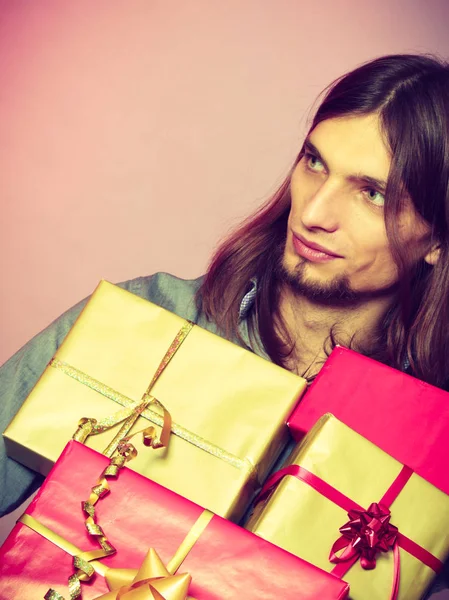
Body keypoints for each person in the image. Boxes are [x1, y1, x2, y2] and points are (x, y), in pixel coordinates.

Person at [1, 53, 449, 597]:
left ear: (437, 239)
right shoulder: (146, 321)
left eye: (372, 193)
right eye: (314, 163)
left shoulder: (434, 446)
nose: (313, 213)